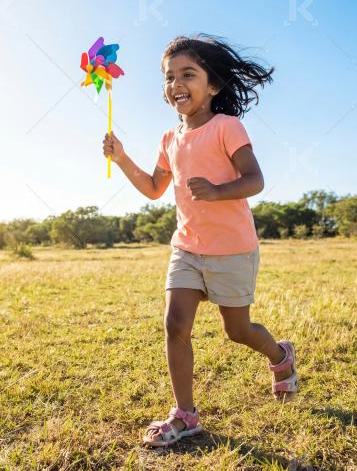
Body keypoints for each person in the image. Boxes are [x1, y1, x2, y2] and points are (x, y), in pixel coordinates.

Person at [102, 34, 298, 448]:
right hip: (187, 247)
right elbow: (155, 187)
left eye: (187, 74)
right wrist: (121, 159)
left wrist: (216, 189)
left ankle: (280, 356)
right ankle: (185, 415)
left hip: (232, 248)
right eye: (169, 77)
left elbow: (255, 180)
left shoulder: (227, 127)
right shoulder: (169, 139)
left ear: (213, 85)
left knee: (238, 329)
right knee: (175, 324)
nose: (176, 83)